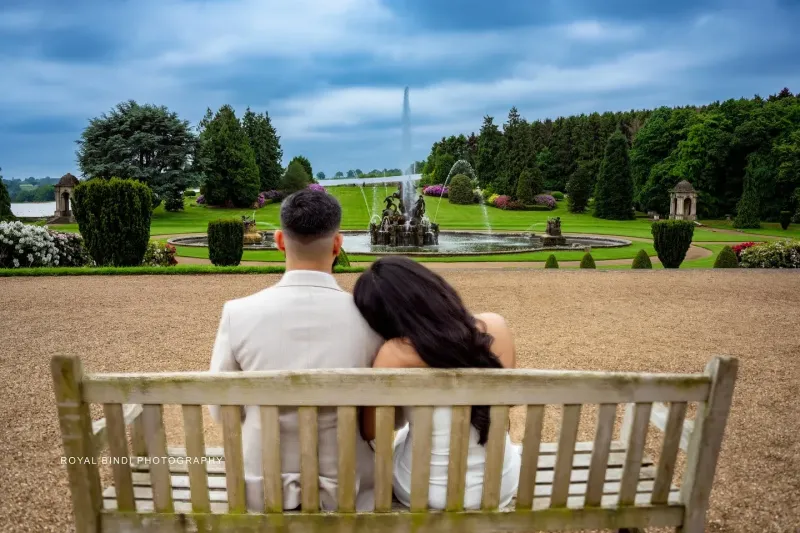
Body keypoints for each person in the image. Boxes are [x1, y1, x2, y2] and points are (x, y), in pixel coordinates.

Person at [208, 189, 383, 512]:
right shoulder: (371, 317)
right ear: (337, 245)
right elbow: (387, 419)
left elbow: (221, 411)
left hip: (258, 486)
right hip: (350, 488)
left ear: (279, 241)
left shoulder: (238, 313)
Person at [353, 256, 520, 510]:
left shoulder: (395, 353)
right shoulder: (496, 327)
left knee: (405, 438)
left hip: (422, 491)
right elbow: (504, 407)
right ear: (432, 286)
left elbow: (372, 430)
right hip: (496, 487)